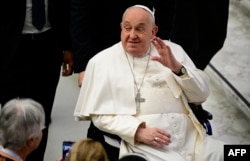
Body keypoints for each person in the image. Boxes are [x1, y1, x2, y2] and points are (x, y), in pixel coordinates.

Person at [74, 5, 225, 161]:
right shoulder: (101, 62)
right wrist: (137, 132)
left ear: (153, 31)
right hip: (148, 149)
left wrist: (177, 68)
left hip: (195, 142)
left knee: (240, 153)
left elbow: (201, 95)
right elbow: (100, 116)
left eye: (139, 29)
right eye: (127, 28)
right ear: (121, 28)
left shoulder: (173, 50)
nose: (132, 35)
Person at [0, 1, 73, 161]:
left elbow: (64, 7)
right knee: (12, 116)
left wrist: (67, 46)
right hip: (11, 47)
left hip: (48, 46)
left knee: (41, 116)